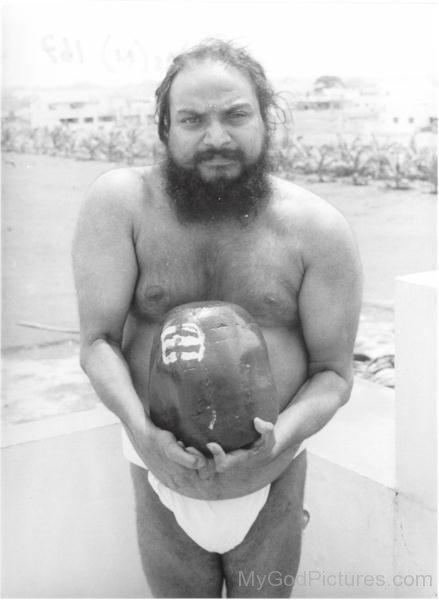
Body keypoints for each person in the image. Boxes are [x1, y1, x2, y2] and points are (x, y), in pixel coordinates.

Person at [72, 39, 362, 598]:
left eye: (235, 115)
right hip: (157, 471)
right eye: (192, 119)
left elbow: (334, 374)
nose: (216, 138)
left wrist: (277, 446)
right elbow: (97, 343)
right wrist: (145, 434)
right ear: (164, 128)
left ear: (265, 118)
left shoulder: (318, 230)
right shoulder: (121, 206)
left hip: (272, 479)